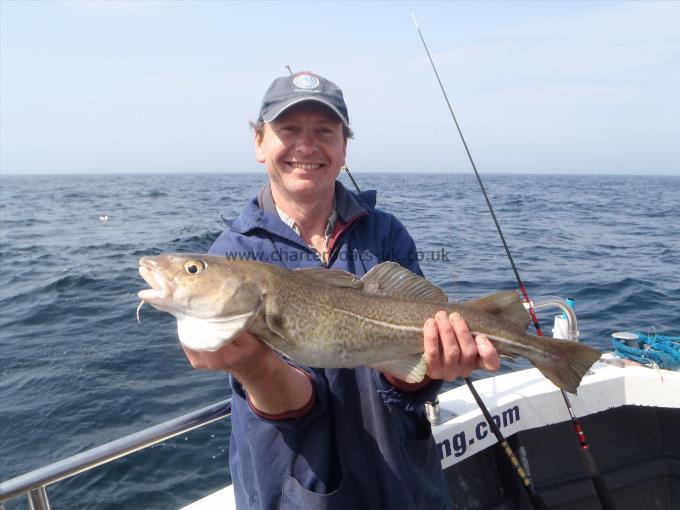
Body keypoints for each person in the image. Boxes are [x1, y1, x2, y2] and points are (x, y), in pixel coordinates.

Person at [182, 71, 500, 510]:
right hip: (297, 488)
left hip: (403, 482)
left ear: (344, 146)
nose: (306, 146)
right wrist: (256, 367)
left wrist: (430, 364)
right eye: (288, 129)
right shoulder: (235, 254)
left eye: (324, 132)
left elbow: (408, 372)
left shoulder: (385, 232)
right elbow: (295, 404)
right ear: (259, 142)